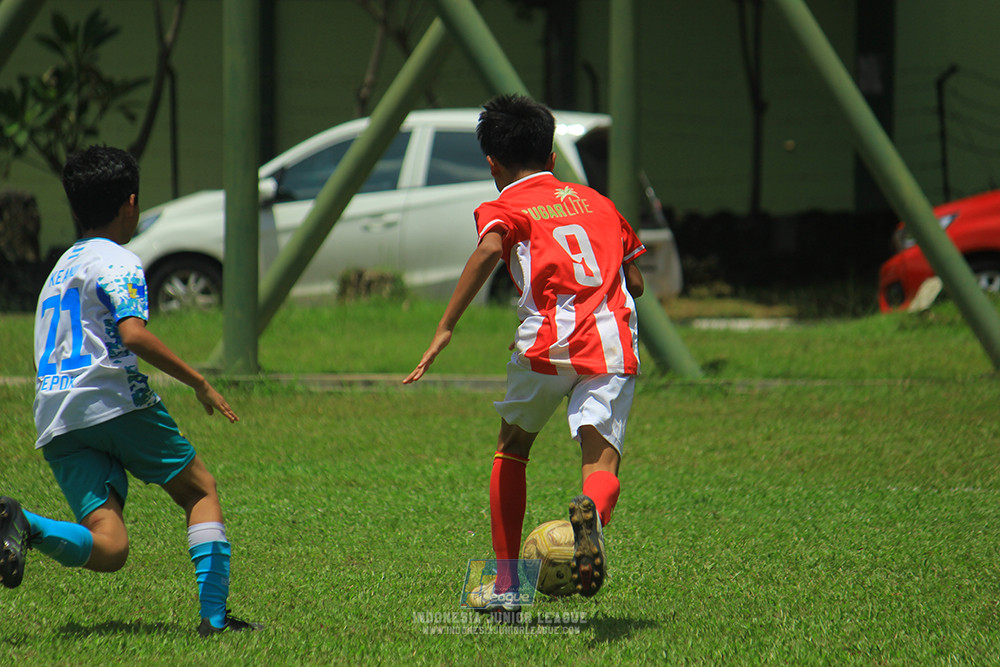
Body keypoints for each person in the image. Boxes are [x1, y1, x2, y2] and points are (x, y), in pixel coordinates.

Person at [0, 145, 260, 637]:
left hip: (56, 419)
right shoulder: (118, 259)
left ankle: (23, 523)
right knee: (199, 489)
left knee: (111, 547)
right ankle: (214, 620)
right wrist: (199, 381)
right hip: (112, 401)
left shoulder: (58, 271)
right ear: (131, 204)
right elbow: (134, 333)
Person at [404, 94, 646, 614]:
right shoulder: (600, 203)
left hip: (545, 342)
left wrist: (446, 326)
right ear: (553, 158)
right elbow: (637, 281)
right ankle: (591, 520)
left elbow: (491, 248)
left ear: (493, 164)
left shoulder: (505, 205)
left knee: (512, 447)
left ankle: (508, 587)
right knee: (600, 458)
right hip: (608, 341)